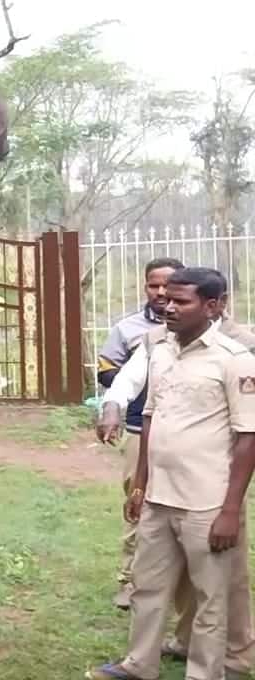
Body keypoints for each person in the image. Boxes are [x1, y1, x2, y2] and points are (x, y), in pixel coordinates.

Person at [88, 267, 255, 680]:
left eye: (181, 301)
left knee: (210, 598)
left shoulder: (234, 360)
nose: (168, 306)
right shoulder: (159, 351)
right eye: (165, 299)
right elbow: (148, 419)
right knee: (148, 587)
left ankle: (205, 672)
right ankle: (138, 665)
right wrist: (140, 483)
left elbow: (249, 437)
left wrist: (231, 509)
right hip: (159, 497)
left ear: (213, 306)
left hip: (206, 501)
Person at [96, 257, 185, 609]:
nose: (161, 293)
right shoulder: (131, 330)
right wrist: (124, 397)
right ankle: (130, 581)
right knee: (138, 503)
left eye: (169, 285)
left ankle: (179, 588)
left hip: (192, 436)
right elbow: (109, 371)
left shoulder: (210, 329)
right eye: (153, 285)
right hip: (139, 430)